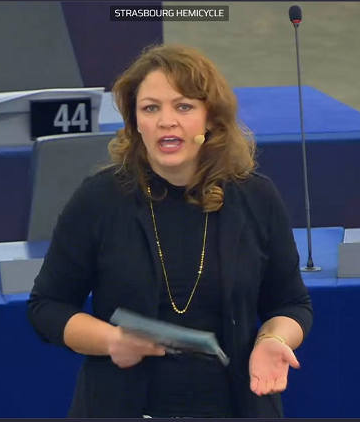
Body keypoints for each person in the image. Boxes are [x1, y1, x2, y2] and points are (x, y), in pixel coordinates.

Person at [27, 43, 313, 418]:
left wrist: (273, 339)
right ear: (135, 122)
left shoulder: (255, 197)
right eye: (150, 108)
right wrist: (111, 340)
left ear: (210, 119)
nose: (166, 121)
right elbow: (48, 306)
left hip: (234, 407)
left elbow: (290, 304)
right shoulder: (99, 199)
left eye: (183, 107)